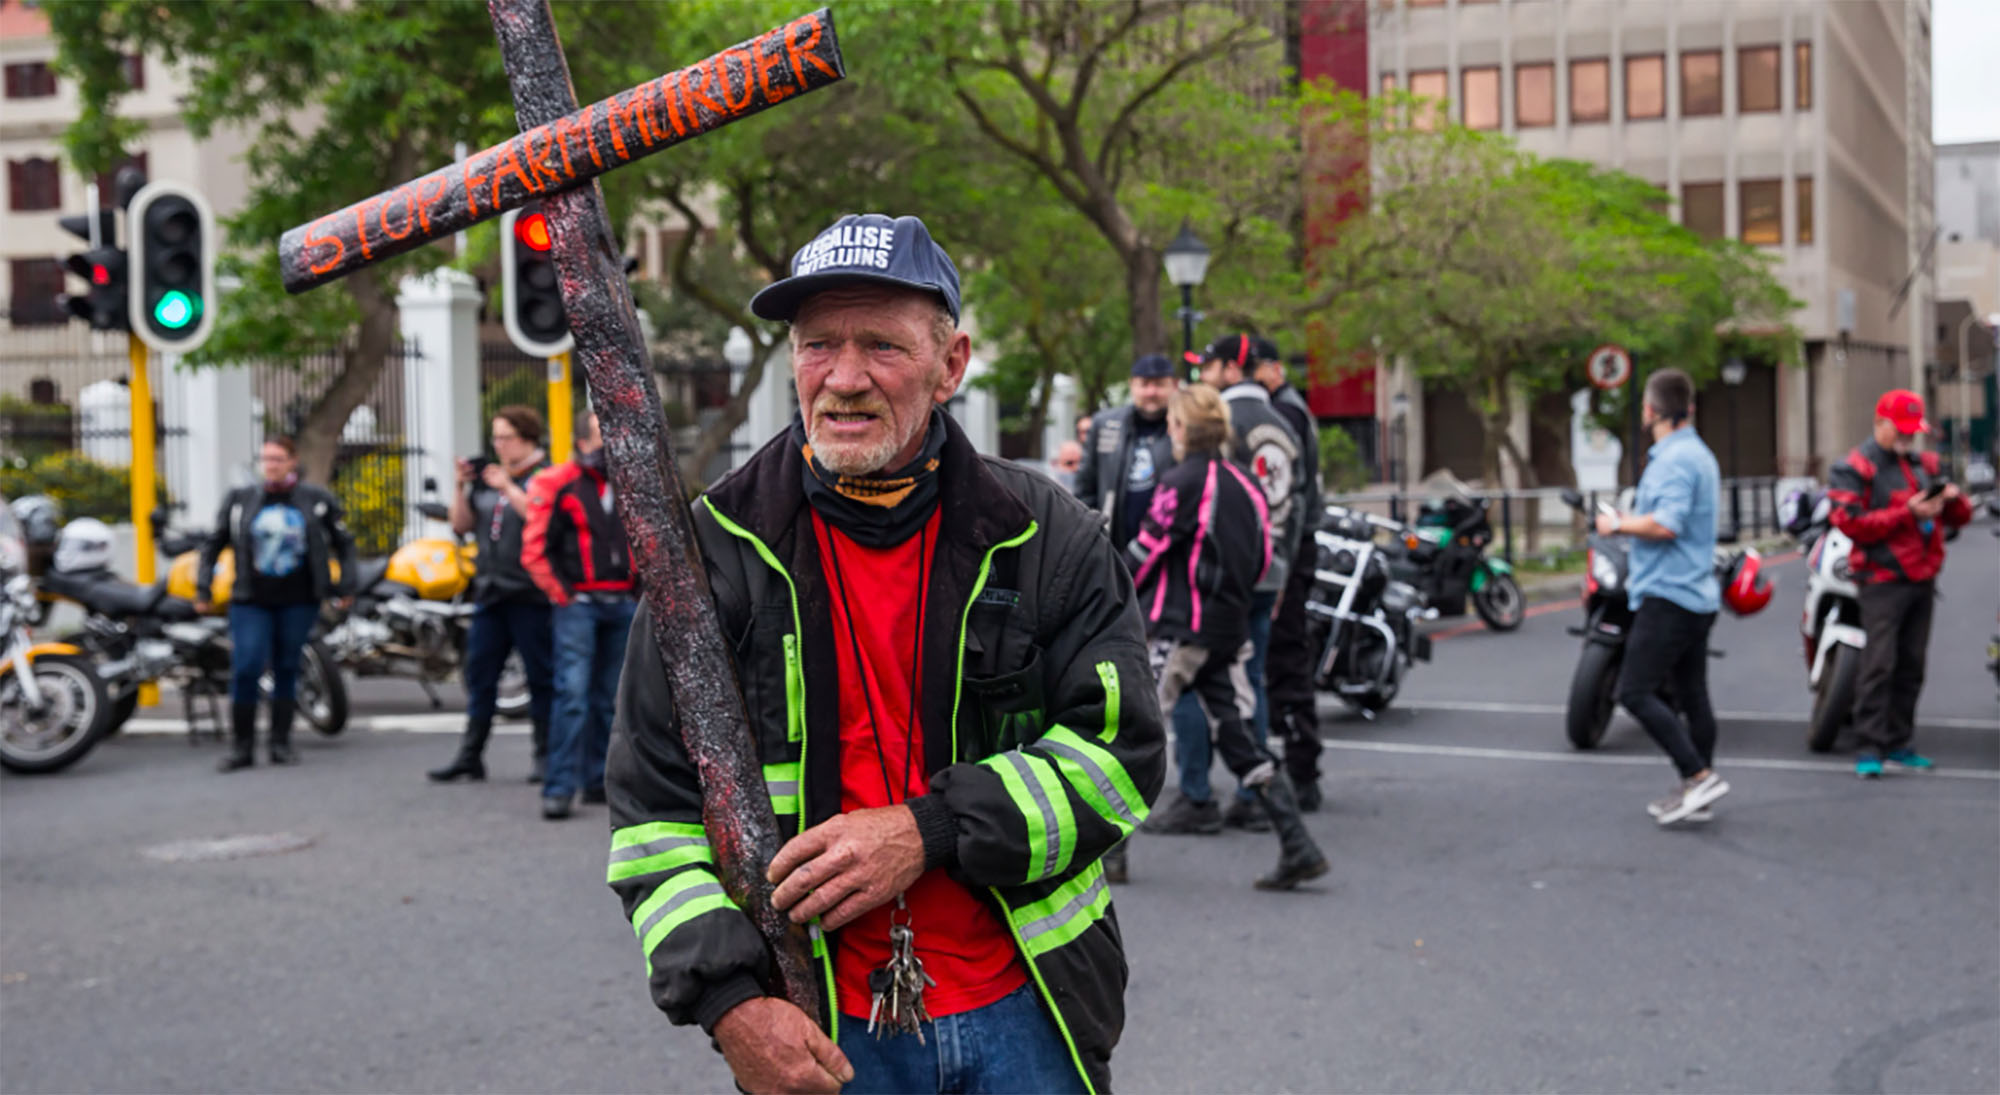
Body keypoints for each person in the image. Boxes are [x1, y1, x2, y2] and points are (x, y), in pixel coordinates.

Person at [604, 213, 1163, 1095]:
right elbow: (652, 813)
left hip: (1030, 1013)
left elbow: (1119, 760)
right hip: (823, 1027)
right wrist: (731, 1003)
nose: (845, 377)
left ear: (951, 364)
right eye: (818, 344)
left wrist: (927, 829)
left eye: (882, 346)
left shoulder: (1047, 535)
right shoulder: (714, 551)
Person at [1127, 383, 1327, 890]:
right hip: (1229, 627)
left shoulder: (1181, 481)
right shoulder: (1245, 482)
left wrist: (1108, 590)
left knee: (1130, 729)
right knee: (1237, 733)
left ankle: (1107, 853)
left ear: (1181, 429)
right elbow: (1264, 556)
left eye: (1172, 424)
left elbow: (1145, 551)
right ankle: (1297, 844)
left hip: (1182, 629)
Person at [1157, 333, 1303, 833]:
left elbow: (1149, 549)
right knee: (1241, 703)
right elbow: (1291, 515)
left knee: (1146, 716)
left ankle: (1181, 803)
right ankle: (1280, 824)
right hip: (1249, 594)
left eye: (1209, 366)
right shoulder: (1281, 428)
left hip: (1193, 607)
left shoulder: (1191, 469)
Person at [1594, 369, 1727, 825]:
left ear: (1650, 411)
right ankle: (1697, 793)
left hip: (1669, 593)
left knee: (1633, 691)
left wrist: (1617, 524)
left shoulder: (1673, 460)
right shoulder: (1699, 454)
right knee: (1693, 695)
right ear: (1689, 408)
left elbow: (1667, 523)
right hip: (1696, 592)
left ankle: (1697, 774)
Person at [1826, 390, 1973, 778]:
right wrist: (1907, 512)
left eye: (1912, 431)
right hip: (1882, 579)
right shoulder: (1855, 467)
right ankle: (1869, 745)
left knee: (1911, 665)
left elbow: (1959, 518)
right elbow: (1849, 522)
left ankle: (1899, 742)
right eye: (1901, 430)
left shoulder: (1924, 464)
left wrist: (1953, 499)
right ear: (1880, 423)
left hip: (1922, 577)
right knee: (1879, 665)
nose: (1908, 437)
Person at [197, 437, 355, 771]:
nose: (271, 465)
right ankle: (242, 747)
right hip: (251, 599)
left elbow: (344, 542)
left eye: (278, 459)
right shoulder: (241, 499)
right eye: (266, 459)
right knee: (247, 665)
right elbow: (214, 543)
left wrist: (346, 585)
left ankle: (280, 743)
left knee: (287, 666)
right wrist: (203, 587)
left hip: (299, 599)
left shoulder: (315, 499)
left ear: (292, 461)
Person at [427, 406, 557, 784]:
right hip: (490, 591)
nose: (498, 445)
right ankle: (471, 754)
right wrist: (460, 487)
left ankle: (545, 755)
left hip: (530, 594)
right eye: (495, 437)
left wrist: (508, 488)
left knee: (540, 677)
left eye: (506, 437)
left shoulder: (544, 476)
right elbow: (461, 524)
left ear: (527, 438)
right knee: (480, 674)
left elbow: (541, 518)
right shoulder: (488, 479)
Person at [521, 410, 637, 819]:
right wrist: (563, 596)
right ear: (583, 442)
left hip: (622, 602)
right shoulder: (559, 482)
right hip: (580, 606)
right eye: (602, 435)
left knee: (610, 700)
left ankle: (595, 781)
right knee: (572, 696)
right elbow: (535, 549)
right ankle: (559, 787)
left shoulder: (630, 480)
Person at [1252, 337, 1327, 810]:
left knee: (1285, 658)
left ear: (1275, 370)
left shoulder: (1283, 414)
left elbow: (1288, 497)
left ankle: (1302, 771)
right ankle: (1294, 766)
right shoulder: (1288, 408)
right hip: (1292, 546)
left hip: (1289, 549)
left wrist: (1279, 562)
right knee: (1281, 658)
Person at [1072, 353, 1179, 553]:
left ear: (1174, 385)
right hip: (1114, 546)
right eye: (1144, 384)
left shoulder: (1185, 427)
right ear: (1132, 385)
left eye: (1159, 384)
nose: (1151, 392)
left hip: (1169, 548)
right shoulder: (1106, 425)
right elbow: (1085, 488)